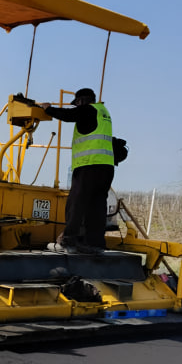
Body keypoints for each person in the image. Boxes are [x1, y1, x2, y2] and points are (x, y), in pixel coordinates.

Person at [39, 87, 115, 254]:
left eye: (77, 104)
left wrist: (48, 109)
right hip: (106, 168)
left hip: (89, 166)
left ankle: (69, 241)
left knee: (76, 203)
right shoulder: (103, 112)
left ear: (80, 102)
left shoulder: (87, 110)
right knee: (97, 205)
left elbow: (68, 116)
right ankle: (95, 244)